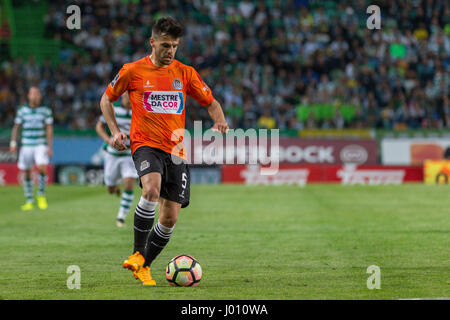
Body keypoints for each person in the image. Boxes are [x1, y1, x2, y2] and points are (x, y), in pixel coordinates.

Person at [99, 17, 228, 285]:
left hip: (176, 150)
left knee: (169, 218)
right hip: (145, 144)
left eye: (175, 46)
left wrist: (220, 119)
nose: (170, 52)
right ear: (153, 42)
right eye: (166, 45)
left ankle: (144, 264)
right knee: (150, 190)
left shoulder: (185, 73)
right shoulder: (132, 71)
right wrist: (114, 131)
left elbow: (211, 101)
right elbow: (106, 99)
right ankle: (136, 252)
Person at [95, 92, 138, 227]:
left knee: (130, 183)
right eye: (127, 96)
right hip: (112, 155)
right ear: (123, 97)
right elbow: (99, 126)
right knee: (111, 188)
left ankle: (121, 217)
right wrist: (108, 140)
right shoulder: (113, 109)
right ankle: (115, 187)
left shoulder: (138, 111)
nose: (129, 99)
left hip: (129, 154)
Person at [10, 86, 53, 211]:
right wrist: (13, 142)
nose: (36, 96)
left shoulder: (45, 110)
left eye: (38, 93)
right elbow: (16, 127)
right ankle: (29, 200)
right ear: (28, 96)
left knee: (42, 167)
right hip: (26, 145)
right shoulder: (22, 110)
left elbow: (49, 128)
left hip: (40, 144)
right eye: (33, 93)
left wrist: (49, 146)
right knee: (27, 172)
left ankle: (41, 195)